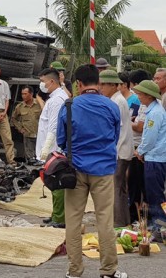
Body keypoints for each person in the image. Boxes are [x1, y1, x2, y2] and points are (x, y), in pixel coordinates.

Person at [58, 64, 125, 278]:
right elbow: (114, 137)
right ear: (98, 82)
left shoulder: (69, 106)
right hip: (104, 170)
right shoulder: (111, 106)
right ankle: (108, 271)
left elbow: (61, 140)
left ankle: (74, 271)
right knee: (105, 220)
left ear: (78, 84)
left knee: (73, 220)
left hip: (75, 170)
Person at [98, 70, 134, 227]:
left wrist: (110, 153)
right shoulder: (116, 99)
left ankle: (117, 223)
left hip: (118, 151)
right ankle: (123, 221)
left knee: (115, 190)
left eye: (103, 85)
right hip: (121, 150)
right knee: (120, 189)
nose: (100, 88)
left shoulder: (116, 102)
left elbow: (116, 131)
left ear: (113, 85)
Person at [36, 68, 69, 228]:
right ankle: (56, 213)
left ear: (51, 81)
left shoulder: (57, 100)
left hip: (54, 149)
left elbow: (54, 126)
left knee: (57, 184)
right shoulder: (55, 98)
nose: (41, 85)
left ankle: (59, 218)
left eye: (43, 81)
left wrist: (46, 148)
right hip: (51, 149)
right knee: (53, 183)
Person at [133, 80, 166, 234]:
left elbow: (150, 138)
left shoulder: (155, 113)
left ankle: (160, 226)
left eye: (140, 94)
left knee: (155, 195)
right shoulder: (154, 111)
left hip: (155, 159)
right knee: (154, 193)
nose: (138, 97)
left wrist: (140, 151)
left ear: (148, 96)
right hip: (155, 157)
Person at [128, 69, 150, 222]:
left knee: (140, 185)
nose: (137, 95)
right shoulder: (145, 105)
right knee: (139, 184)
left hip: (141, 150)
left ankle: (141, 218)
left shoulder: (151, 109)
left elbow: (144, 131)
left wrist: (140, 151)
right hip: (140, 149)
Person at [11, 86, 42, 165]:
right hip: (28, 135)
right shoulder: (20, 107)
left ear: (31, 94)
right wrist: (20, 128)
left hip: (40, 135)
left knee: (40, 157)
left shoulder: (39, 104)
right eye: (22, 94)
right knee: (30, 158)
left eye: (25, 94)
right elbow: (14, 119)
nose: (23, 96)